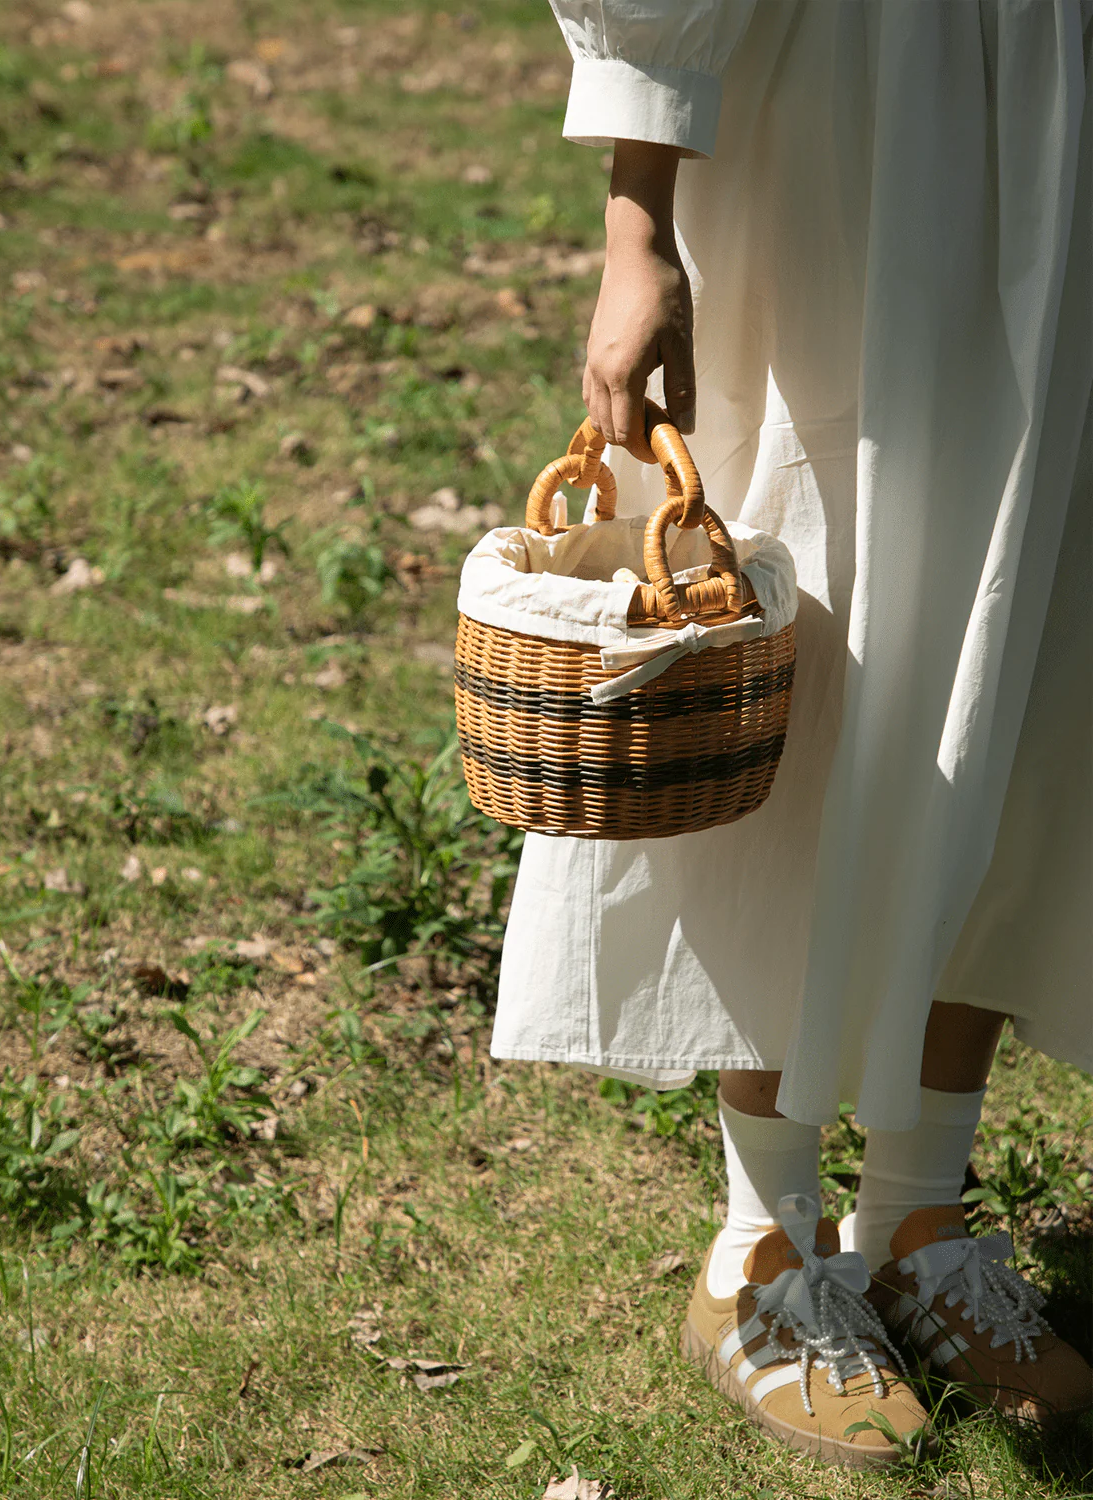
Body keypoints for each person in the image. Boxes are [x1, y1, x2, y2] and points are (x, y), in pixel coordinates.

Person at [490, 0, 1093, 1466]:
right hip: (841, 119)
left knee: (1011, 661)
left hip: (1053, 108)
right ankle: (759, 1249)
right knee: (822, 651)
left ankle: (914, 1222)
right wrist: (641, 228)